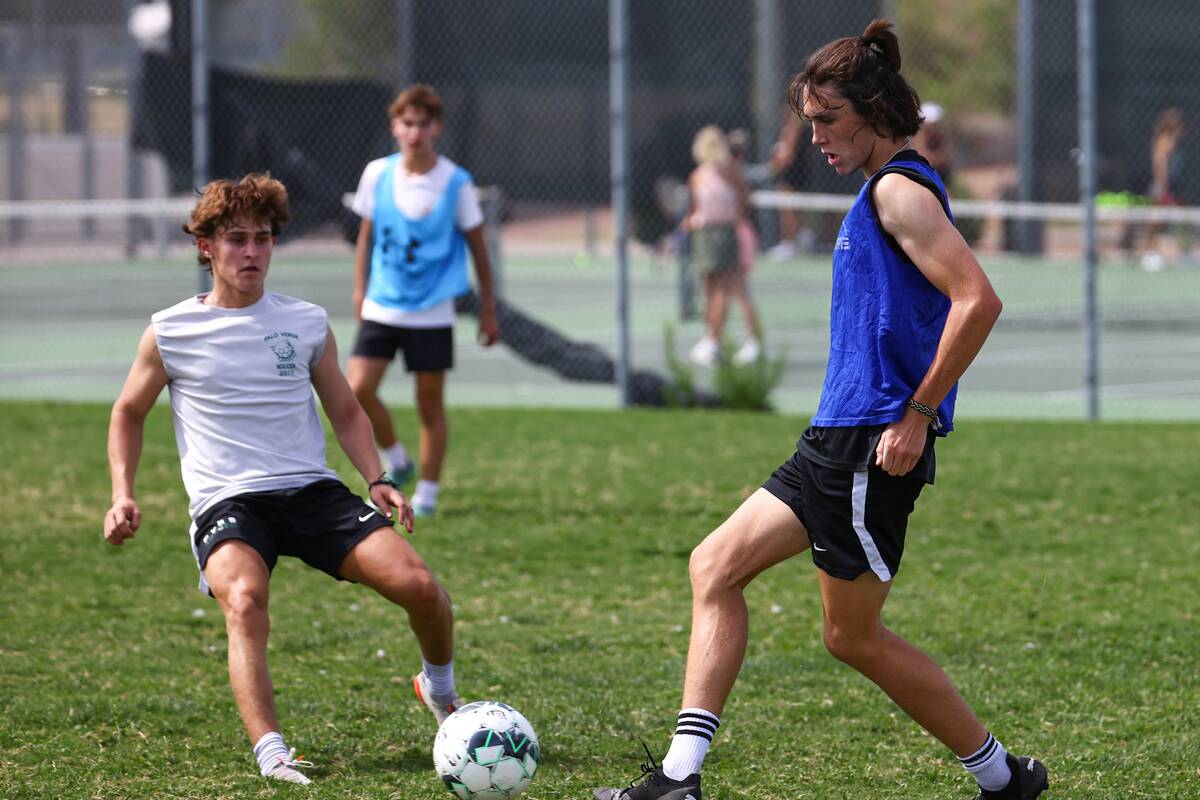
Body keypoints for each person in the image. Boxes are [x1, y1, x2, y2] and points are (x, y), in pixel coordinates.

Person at [595, 19, 1048, 800]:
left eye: (826, 120)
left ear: (874, 109)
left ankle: (1000, 774)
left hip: (872, 444)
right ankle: (679, 778)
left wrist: (917, 413)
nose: (814, 137)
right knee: (715, 567)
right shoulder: (880, 190)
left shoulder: (901, 192)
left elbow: (978, 299)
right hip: (832, 440)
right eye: (807, 121)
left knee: (853, 637)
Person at [103, 174, 464, 786]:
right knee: (244, 600)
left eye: (262, 239)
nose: (251, 252)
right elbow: (127, 412)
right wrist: (123, 492)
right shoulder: (170, 331)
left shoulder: (304, 322)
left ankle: (438, 688)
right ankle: (272, 751)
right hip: (229, 501)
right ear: (206, 248)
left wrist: (376, 477)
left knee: (421, 586)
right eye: (237, 239)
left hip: (310, 491)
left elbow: (347, 410)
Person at [347, 84, 500, 516]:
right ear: (395, 126)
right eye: (406, 123)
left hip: (432, 309)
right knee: (356, 389)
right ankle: (397, 460)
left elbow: (479, 249)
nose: (414, 132)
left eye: (422, 124)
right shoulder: (377, 174)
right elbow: (365, 238)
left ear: (437, 128)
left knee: (429, 402)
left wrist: (488, 309)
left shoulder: (456, 182)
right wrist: (359, 289)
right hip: (383, 303)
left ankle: (428, 494)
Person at [684, 125, 765, 367]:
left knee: (725, 290)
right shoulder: (703, 175)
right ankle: (713, 341)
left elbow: (739, 203)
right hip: (710, 234)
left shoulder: (717, 173)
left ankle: (722, 341)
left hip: (721, 234)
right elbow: (697, 211)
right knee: (713, 289)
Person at [1139, 108, 1186, 271]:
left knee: (1182, 219)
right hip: (1163, 185)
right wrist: (1162, 185)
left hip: (1174, 185)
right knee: (1156, 222)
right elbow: (1160, 162)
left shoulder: (1175, 140)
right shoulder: (1165, 140)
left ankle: (1183, 253)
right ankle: (1149, 254)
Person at [766, 108, 816, 260]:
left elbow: (786, 156)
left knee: (788, 212)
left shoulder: (794, 128)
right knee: (789, 210)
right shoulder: (791, 129)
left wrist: (775, 164)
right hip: (791, 175)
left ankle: (792, 242)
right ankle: (800, 238)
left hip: (789, 176)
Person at [913, 101, 956, 189]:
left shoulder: (941, 136)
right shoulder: (918, 136)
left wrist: (936, 158)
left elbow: (948, 156)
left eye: (936, 123)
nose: (935, 126)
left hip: (940, 175)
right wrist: (938, 158)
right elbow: (925, 158)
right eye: (932, 124)